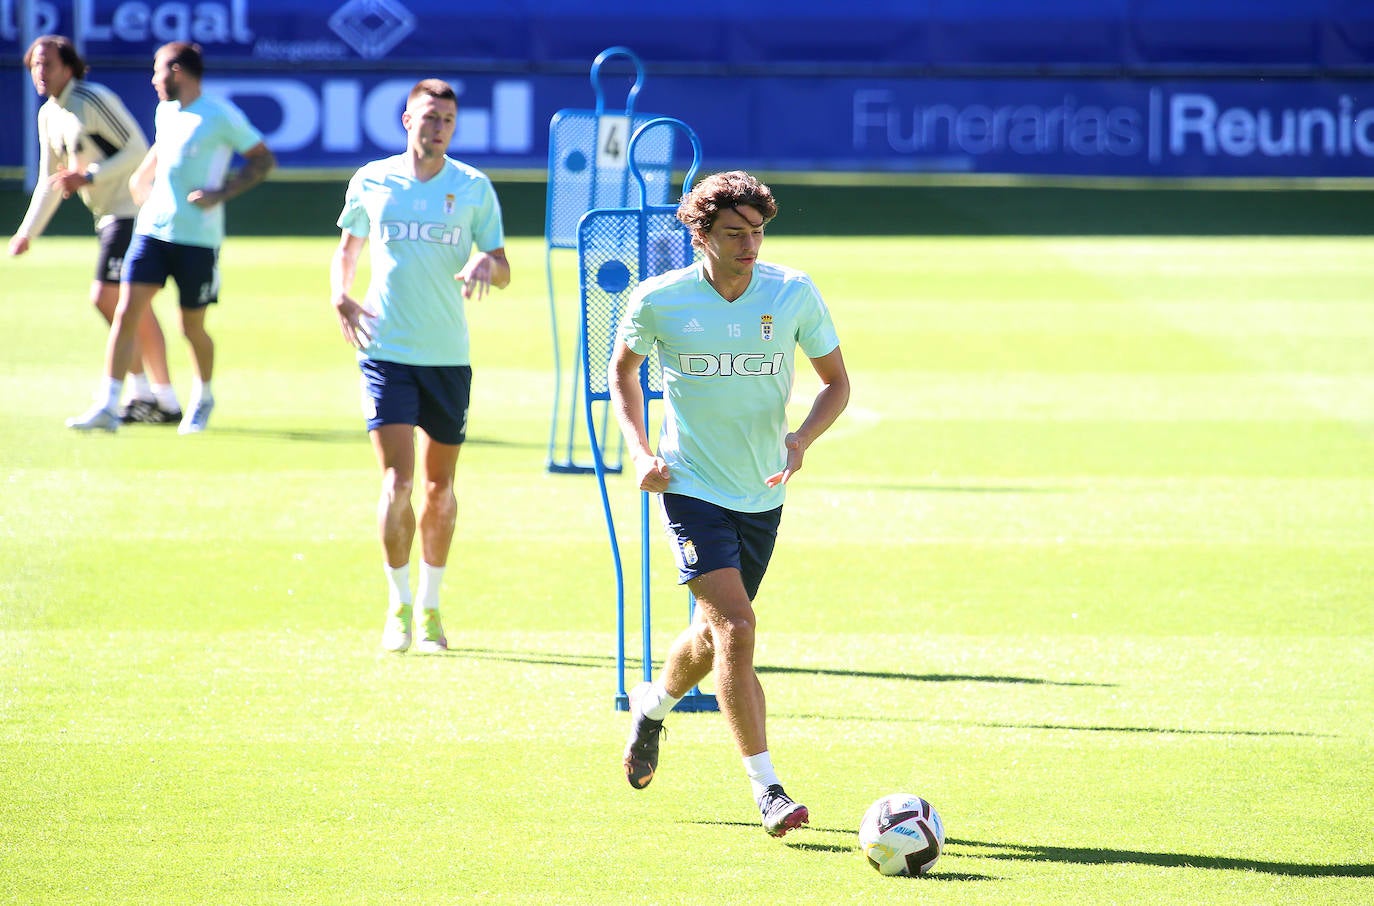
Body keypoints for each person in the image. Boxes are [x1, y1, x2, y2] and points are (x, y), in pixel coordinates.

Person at [609, 171, 850, 838]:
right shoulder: (660, 300)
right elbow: (622, 370)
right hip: (687, 486)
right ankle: (769, 790)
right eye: (735, 234)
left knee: (714, 635)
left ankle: (651, 708)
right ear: (701, 236)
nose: (750, 245)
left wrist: (802, 437)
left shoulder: (792, 291)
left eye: (758, 232)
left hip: (761, 491)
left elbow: (836, 384)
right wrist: (639, 450)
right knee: (737, 630)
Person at [328, 79, 511, 654]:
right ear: (407, 119)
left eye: (448, 121)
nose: (437, 128)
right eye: (429, 117)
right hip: (385, 352)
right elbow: (348, 250)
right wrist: (341, 292)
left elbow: (502, 264)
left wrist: (486, 264)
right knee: (397, 481)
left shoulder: (474, 188)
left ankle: (431, 608)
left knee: (439, 487)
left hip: (448, 358)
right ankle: (398, 607)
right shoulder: (372, 180)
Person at [66, 41, 275, 434]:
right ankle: (109, 404)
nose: (153, 79)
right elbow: (161, 153)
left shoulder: (220, 115)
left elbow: (264, 159)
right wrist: (140, 181)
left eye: (158, 70)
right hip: (152, 231)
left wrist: (221, 192)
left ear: (177, 72)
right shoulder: (166, 111)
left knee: (190, 327)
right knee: (127, 311)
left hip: (198, 239)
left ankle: (203, 397)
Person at [9, 34, 181, 424]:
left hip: (130, 210)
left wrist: (88, 175)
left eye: (48, 63)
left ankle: (134, 393)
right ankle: (162, 399)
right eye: (35, 64)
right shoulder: (49, 114)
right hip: (107, 216)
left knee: (106, 297)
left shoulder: (92, 99)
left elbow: (137, 150)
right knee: (132, 306)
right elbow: (49, 180)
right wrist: (26, 233)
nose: (40, 71)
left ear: (69, 66)